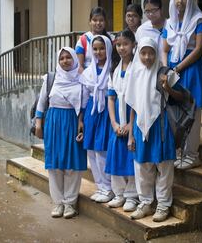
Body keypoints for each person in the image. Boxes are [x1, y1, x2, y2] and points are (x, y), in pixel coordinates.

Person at [126, 37, 183, 222]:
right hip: (140, 126)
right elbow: (134, 105)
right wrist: (130, 135)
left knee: (164, 167)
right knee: (142, 167)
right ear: (138, 53)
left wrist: (168, 87)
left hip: (161, 125)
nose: (147, 57)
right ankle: (146, 203)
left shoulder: (165, 72)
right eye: (143, 53)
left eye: (151, 52)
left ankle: (163, 205)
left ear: (156, 53)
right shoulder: (135, 74)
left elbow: (181, 96)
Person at [162, 0, 202, 169]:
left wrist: (178, 68)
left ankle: (192, 154)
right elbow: (164, 48)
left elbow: (199, 49)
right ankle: (178, 151)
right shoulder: (170, 23)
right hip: (174, 69)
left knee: (193, 110)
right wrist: (167, 68)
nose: (180, 1)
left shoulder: (200, 21)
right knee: (174, 111)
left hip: (191, 68)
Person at [34, 47, 86, 219]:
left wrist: (81, 123)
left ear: (74, 59)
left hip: (72, 122)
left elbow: (84, 105)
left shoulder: (81, 79)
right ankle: (58, 203)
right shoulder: (51, 79)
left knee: (72, 165)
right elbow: (42, 102)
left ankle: (70, 203)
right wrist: (39, 123)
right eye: (62, 58)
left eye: (68, 57)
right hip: (54, 122)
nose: (65, 61)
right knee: (55, 165)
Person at [105, 29, 138, 212]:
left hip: (133, 118)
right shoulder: (115, 70)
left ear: (133, 45)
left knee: (131, 157)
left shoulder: (138, 68)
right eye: (118, 44)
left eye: (125, 44)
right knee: (116, 155)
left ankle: (132, 196)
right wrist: (114, 123)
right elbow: (111, 98)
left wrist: (130, 125)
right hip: (117, 119)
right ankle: (119, 193)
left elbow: (137, 99)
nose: (121, 48)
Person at [80, 35, 114, 203]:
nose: (98, 52)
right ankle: (100, 186)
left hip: (107, 111)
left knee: (103, 150)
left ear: (108, 49)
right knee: (91, 151)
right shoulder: (88, 72)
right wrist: (82, 119)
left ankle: (109, 188)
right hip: (91, 112)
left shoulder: (113, 70)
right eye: (95, 49)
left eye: (101, 48)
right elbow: (84, 97)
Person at [75, 7, 111, 73]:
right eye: (95, 20)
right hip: (88, 78)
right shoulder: (83, 40)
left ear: (105, 21)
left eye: (101, 20)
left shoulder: (111, 39)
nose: (98, 23)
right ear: (90, 22)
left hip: (107, 76)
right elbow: (80, 66)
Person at [135, 0, 167, 65]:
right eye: (147, 11)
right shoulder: (142, 30)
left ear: (161, 9)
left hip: (169, 68)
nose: (151, 14)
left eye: (154, 10)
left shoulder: (170, 26)